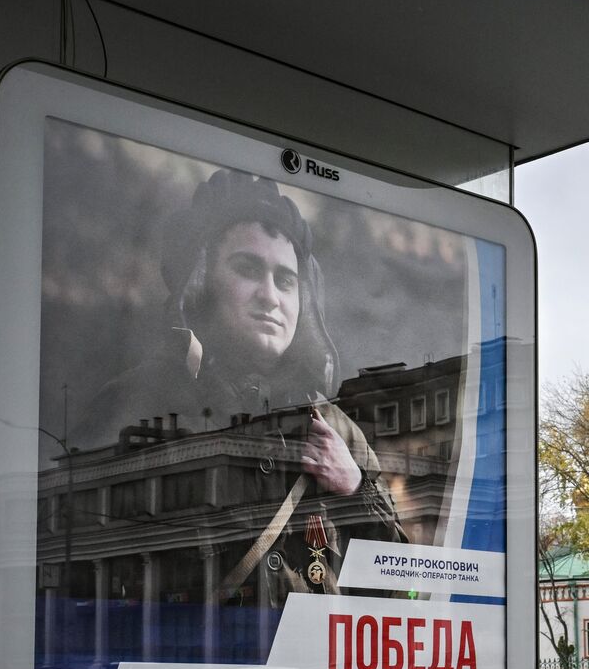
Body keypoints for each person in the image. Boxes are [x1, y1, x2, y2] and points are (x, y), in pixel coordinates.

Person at [85, 170, 405, 609]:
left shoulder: (336, 429)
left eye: (286, 280)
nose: (270, 296)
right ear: (200, 283)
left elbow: (400, 594)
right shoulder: (136, 404)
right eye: (248, 269)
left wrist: (356, 490)